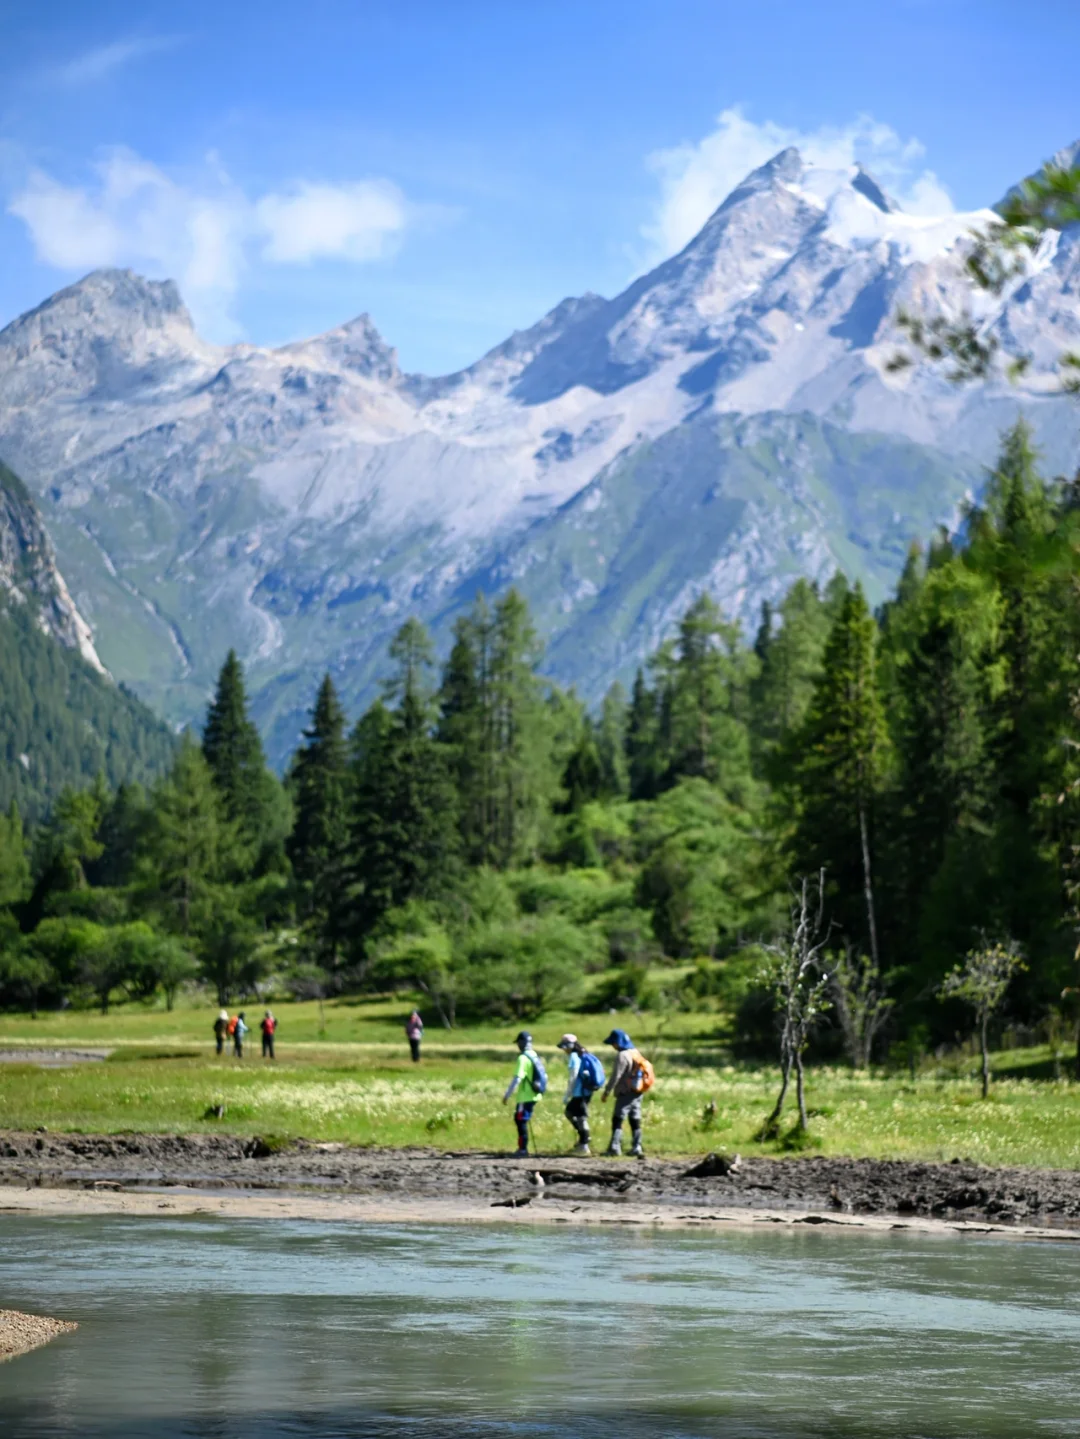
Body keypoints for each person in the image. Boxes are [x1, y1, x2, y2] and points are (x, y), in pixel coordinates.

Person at [601, 1028, 651, 1158]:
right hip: (638, 1091)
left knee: (618, 1118)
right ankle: (637, 1146)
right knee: (635, 1119)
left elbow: (616, 1076)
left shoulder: (622, 1055)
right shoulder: (636, 1052)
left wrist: (607, 1091)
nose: (612, 1046)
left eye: (613, 1043)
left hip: (625, 1092)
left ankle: (614, 1147)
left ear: (618, 1042)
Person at [557, 1033, 604, 1156]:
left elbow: (573, 1077)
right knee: (574, 1114)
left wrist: (567, 1094)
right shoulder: (583, 1054)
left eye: (565, 1047)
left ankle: (584, 1144)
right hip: (586, 1092)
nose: (564, 1050)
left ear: (570, 1046)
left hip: (579, 1093)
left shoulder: (574, 1056)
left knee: (579, 1116)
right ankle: (583, 1140)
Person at [502, 1030, 545, 1157]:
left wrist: (507, 1095)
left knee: (520, 1120)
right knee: (522, 1119)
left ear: (521, 1043)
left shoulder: (523, 1058)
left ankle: (522, 1149)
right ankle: (523, 1148)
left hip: (525, 1096)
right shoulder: (534, 1055)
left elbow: (517, 1078)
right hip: (534, 1094)